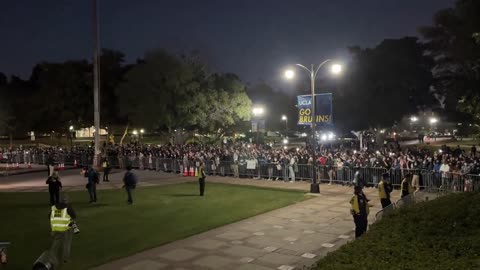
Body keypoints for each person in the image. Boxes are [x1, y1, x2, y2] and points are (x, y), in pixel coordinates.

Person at [48, 194, 77, 263]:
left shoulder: (54, 207)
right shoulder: (68, 207)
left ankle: (51, 258)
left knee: (55, 243)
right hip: (66, 229)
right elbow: (74, 216)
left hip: (56, 228)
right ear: (67, 200)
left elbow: (49, 216)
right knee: (66, 244)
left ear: (60, 200)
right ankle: (65, 259)